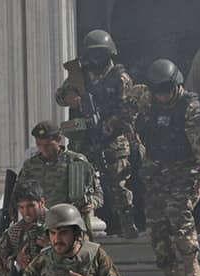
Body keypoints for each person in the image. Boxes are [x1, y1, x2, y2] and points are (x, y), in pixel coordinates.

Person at [132, 58, 200, 276]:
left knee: (178, 214)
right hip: (156, 170)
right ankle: (170, 274)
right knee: (156, 224)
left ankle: (191, 266)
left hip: (184, 170)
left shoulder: (190, 107)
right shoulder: (148, 100)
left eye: (166, 91)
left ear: (177, 85)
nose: (162, 97)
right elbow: (127, 100)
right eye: (158, 91)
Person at [56, 29, 141, 237]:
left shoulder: (120, 77)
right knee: (80, 183)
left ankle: (126, 223)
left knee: (117, 183)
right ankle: (80, 227)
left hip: (113, 138)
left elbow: (129, 108)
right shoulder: (79, 74)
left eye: (100, 54)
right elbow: (59, 96)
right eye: (93, 54)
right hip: (84, 138)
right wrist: (70, 96)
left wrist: (111, 122)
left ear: (109, 53)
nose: (96, 58)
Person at [16, 120, 105, 238]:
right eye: (39, 145)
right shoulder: (30, 165)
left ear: (58, 139)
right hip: (39, 230)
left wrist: (91, 203)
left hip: (69, 225)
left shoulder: (76, 162)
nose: (43, 149)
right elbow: (18, 195)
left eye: (48, 145)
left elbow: (98, 194)